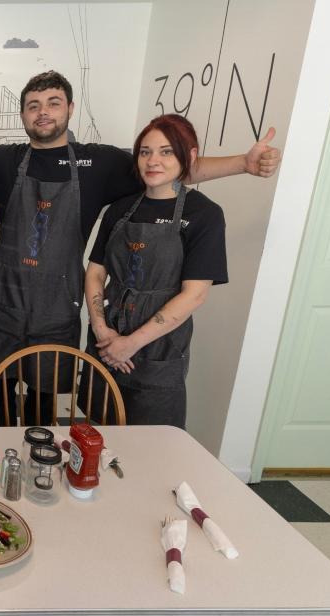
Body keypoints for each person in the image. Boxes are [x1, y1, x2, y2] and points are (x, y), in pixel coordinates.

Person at [0, 70, 280, 425]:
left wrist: (241, 164)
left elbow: (165, 167)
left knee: (41, 409)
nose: (42, 112)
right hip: (3, 303)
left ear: (70, 108)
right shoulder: (4, 161)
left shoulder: (99, 162)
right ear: (23, 116)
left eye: (53, 103)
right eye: (33, 105)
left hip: (57, 306)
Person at [81, 114, 226, 428]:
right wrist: (101, 329)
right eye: (145, 152)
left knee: (153, 439)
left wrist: (131, 343)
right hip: (108, 335)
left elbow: (195, 295)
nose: (153, 160)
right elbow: (95, 273)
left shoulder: (204, 214)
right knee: (99, 430)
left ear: (189, 157)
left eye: (166, 152)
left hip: (160, 345)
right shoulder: (120, 209)